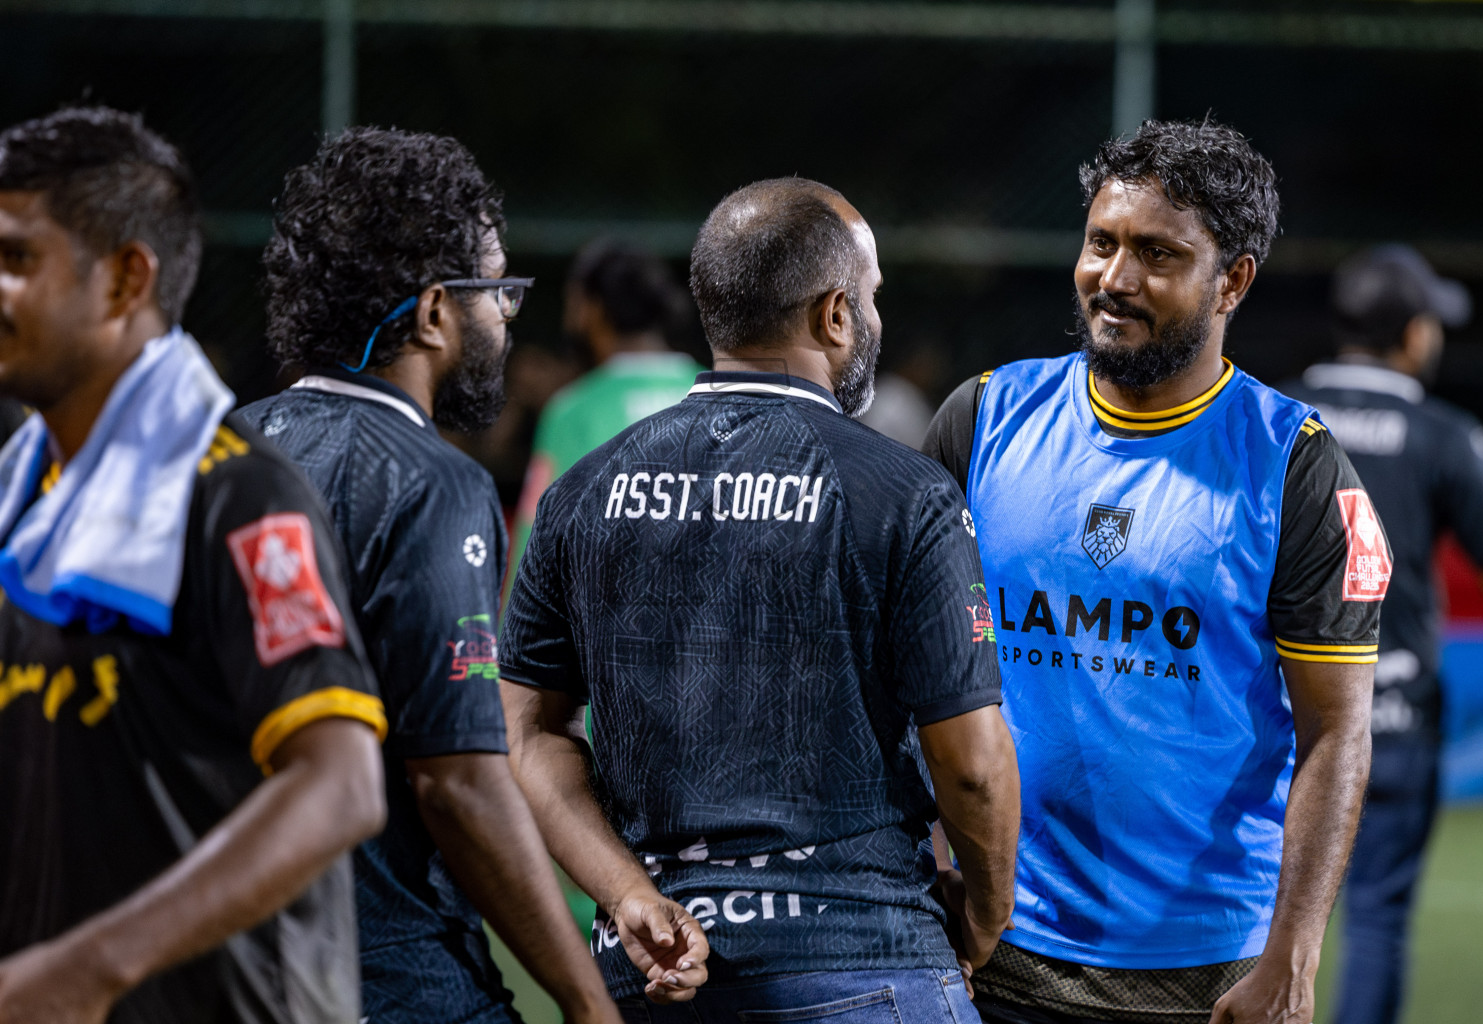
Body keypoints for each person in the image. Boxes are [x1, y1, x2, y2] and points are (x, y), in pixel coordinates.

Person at [499, 176, 1020, 1021]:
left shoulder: (581, 493)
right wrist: (989, 915)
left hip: (656, 969)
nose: (874, 317)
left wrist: (626, 893)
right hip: (864, 952)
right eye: (871, 297)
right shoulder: (907, 494)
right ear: (835, 315)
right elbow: (972, 765)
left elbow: (525, 730)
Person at [922, 120, 1382, 1024]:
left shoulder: (1294, 466)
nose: (1115, 278)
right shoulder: (982, 419)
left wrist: (1292, 956)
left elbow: (1337, 733)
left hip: (1206, 969)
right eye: (1102, 243)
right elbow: (900, 672)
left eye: (1158, 254)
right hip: (994, 947)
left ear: (1233, 281)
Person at [0, 106, 388, 1024]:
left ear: (124, 279)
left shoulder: (240, 497)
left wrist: (89, 969)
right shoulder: (20, 500)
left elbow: (340, 786)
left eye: (17, 258)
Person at [237, 127, 624, 1024]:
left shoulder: (223, 445)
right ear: (436, 311)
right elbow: (455, 782)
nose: (507, 317)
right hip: (387, 970)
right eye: (499, 290)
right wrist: (585, 1001)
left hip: (234, 960)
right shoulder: (428, 482)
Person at [1279, 244, 1483, 1024]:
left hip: (1276, 720)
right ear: (1414, 334)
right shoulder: (1443, 434)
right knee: (1378, 923)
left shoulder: (1274, 416)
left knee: (1255, 921)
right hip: (1387, 722)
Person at [512, 238, 704, 569]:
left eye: (574, 305)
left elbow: (535, 543)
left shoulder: (573, 411)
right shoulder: (718, 393)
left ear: (592, 309)